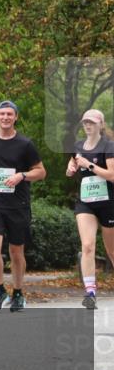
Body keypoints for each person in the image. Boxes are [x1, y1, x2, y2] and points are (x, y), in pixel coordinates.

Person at [0, 100, 46, 312]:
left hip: (18, 205)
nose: (5, 117)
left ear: (15, 118)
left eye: (9, 114)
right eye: (2, 114)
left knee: (16, 251)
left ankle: (17, 292)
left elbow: (41, 172)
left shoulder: (25, 144)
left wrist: (22, 176)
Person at [65, 109, 114, 310]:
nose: (88, 125)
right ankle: (90, 292)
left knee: (111, 250)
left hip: (109, 202)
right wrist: (71, 168)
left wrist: (90, 166)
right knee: (87, 245)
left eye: (92, 123)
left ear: (101, 125)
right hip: (86, 201)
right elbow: (74, 161)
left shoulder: (109, 146)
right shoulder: (78, 145)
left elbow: (112, 175)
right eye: (86, 122)